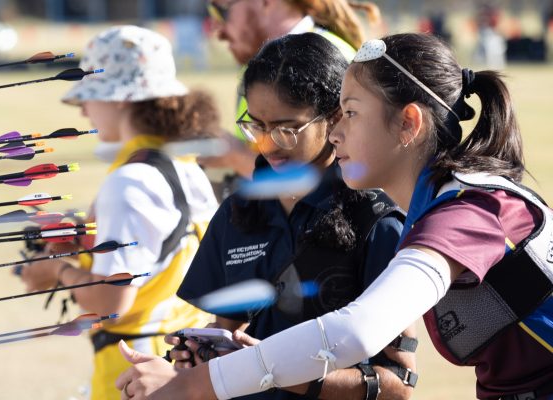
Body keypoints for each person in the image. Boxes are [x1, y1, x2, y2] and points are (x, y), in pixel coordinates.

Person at [115, 32, 553, 400]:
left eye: (351, 113)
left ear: (408, 123)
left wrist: (196, 384)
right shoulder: (442, 205)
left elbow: (358, 332)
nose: (336, 132)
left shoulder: (470, 210)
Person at [166, 32, 416, 400]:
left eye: (287, 129)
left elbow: (397, 386)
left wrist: (271, 371)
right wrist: (201, 355)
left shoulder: (377, 222)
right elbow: (229, 332)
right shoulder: (238, 210)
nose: (266, 143)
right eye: (256, 126)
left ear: (335, 118)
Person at [19, 25, 219, 400]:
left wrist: (56, 270)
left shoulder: (130, 181)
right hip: (181, 365)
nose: (83, 108)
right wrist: (83, 242)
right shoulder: (184, 165)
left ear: (122, 98)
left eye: (91, 94)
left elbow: (111, 302)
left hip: (137, 376)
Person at [200, 0, 382, 183]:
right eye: (257, 126)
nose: (216, 29)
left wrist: (237, 156)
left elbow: (352, 177)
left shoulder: (331, 60)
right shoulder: (263, 65)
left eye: (221, 11)